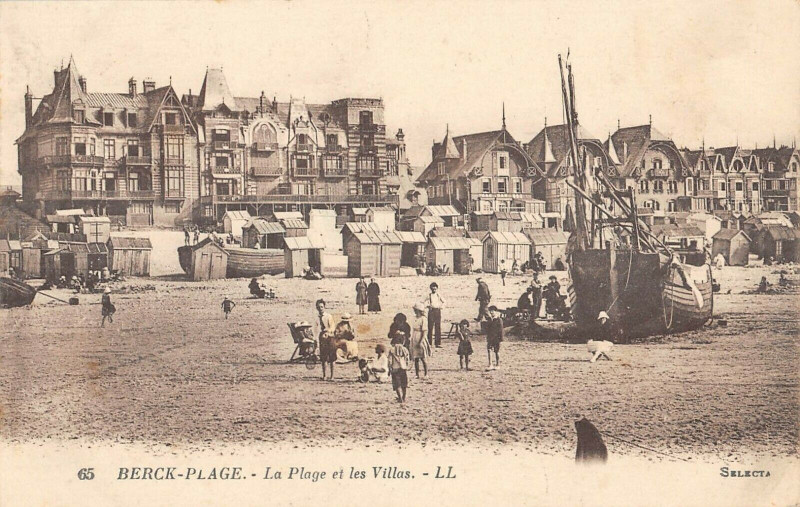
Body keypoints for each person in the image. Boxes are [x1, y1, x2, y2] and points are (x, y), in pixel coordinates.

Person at [316, 299, 337, 380]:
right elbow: (316, 328)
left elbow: (332, 327)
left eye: (321, 307)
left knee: (332, 357)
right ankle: (324, 376)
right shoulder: (316, 318)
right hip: (322, 337)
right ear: (316, 308)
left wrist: (328, 332)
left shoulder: (328, 316)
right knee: (323, 357)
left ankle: (332, 376)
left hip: (330, 337)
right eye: (318, 307)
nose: (320, 309)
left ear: (324, 307)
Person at [409, 302, 431, 379]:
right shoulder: (414, 318)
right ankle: (417, 374)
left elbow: (425, 331)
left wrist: (421, 341)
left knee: (423, 357)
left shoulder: (423, 319)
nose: (415, 311)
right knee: (416, 358)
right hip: (414, 337)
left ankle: (426, 374)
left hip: (420, 337)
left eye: (416, 310)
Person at [388, 334, 410, 402]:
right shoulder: (405, 349)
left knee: (396, 384)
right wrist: (406, 365)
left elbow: (390, 360)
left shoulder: (392, 349)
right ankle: (404, 397)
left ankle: (400, 397)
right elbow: (407, 359)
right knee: (404, 384)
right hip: (403, 368)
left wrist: (389, 368)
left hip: (395, 368)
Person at [426, 282, 445, 348]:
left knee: (438, 327)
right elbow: (423, 302)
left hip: (437, 311)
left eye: (435, 289)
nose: (434, 290)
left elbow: (444, 302)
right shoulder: (428, 295)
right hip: (431, 311)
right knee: (430, 327)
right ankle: (429, 343)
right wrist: (428, 305)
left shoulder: (438, 295)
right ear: (431, 289)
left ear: (437, 288)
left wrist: (441, 307)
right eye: (432, 289)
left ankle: (438, 343)